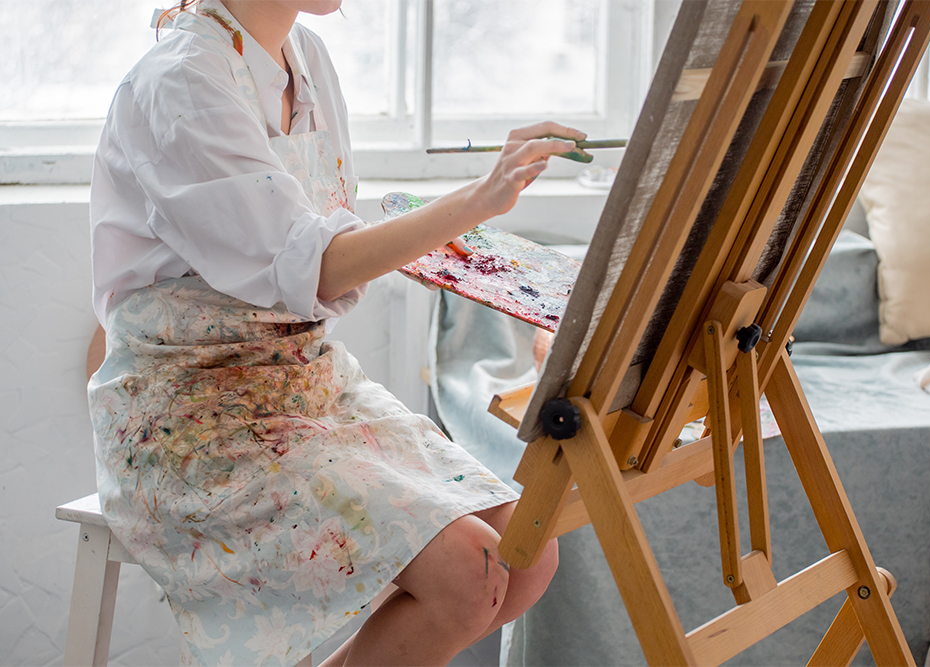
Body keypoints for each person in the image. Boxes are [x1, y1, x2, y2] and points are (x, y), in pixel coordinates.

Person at [87, 1, 580, 664]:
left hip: (307, 381)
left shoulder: (308, 57)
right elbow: (315, 263)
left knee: (528, 550)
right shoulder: (179, 81)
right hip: (193, 415)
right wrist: (477, 198)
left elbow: (325, 239)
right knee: (472, 574)